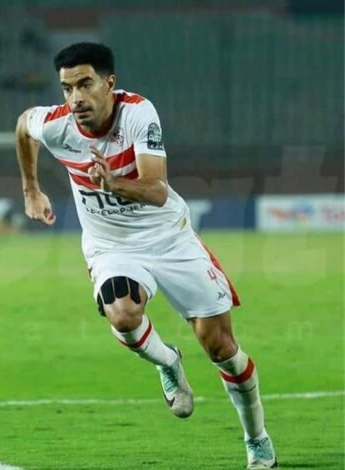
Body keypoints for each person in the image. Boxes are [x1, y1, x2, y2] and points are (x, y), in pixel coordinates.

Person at [15, 42, 277, 469]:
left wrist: (113, 184)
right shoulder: (56, 124)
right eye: (67, 88)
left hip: (169, 239)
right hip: (112, 246)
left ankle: (257, 439)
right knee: (121, 314)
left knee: (221, 348)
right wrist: (31, 188)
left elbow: (156, 190)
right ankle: (168, 361)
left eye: (85, 84)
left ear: (109, 83)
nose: (76, 97)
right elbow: (23, 127)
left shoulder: (138, 114)